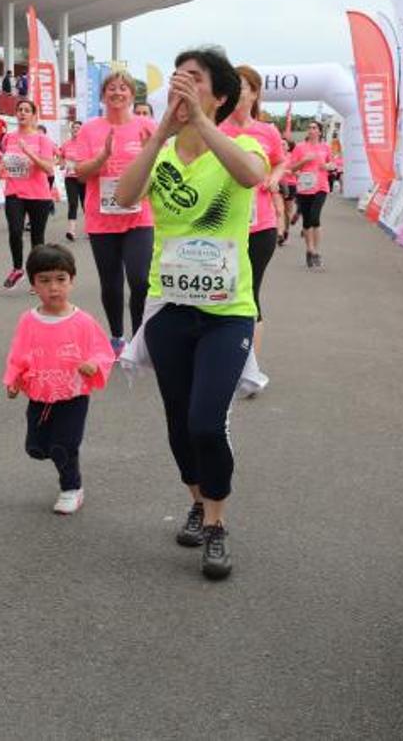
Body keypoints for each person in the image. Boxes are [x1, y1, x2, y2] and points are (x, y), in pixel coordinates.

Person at [113, 47, 268, 581]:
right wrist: (157, 135)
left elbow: (250, 177)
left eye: (194, 79)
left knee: (207, 420)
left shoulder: (243, 144)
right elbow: (121, 196)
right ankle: (197, 503)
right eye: (177, 78)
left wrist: (203, 122)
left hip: (227, 313)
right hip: (170, 309)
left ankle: (218, 525)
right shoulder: (160, 152)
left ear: (219, 94)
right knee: (179, 420)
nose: (182, 87)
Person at [3, 244, 114, 515]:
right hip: (40, 394)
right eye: (45, 280)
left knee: (64, 444)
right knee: (37, 448)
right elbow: (18, 352)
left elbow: (103, 352)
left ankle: (71, 488)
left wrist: (93, 365)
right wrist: (14, 379)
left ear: (72, 281)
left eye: (61, 279)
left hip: (73, 395)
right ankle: (57, 454)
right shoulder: (28, 320)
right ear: (33, 285)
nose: (54, 287)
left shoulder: (83, 321)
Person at [73, 71, 158, 353]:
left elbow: (163, 169)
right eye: (111, 88)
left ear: (132, 96)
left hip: (139, 217)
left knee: (140, 280)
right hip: (102, 219)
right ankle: (118, 337)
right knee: (111, 283)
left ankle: (139, 338)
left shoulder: (147, 126)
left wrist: (150, 153)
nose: (117, 92)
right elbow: (80, 174)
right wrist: (103, 156)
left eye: (123, 88)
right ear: (103, 95)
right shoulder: (90, 129)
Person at [220, 66, 287, 387]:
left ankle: (249, 369)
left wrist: (274, 177)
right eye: (233, 86)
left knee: (250, 293)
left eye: (244, 87)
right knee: (223, 293)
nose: (238, 92)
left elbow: (281, 160)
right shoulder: (215, 129)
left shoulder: (267, 132)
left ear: (255, 93)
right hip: (222, 227)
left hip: (259, 226)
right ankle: (222, 360)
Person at [0, 99, 56, 288]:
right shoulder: (8, 138)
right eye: (19, 110)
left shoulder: (43, 140)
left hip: (39, 194)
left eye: (26, 110)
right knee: (15, 231)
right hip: (14, 192)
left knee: (37, 238)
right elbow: (6, 162)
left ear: (34, 115)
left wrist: (30, 153)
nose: (22, 113)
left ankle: (36, 276)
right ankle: (17, 268)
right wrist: (0, 169)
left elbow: (48, 169)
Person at [287, 120, 332, 268]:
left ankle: (315, 251)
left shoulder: (325, 147)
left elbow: (332, 164)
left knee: (315, 217)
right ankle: (309, 249)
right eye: (310, 128)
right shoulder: (300, 148)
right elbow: (292, 168)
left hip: (321, 187)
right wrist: (304, 162)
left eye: (314, 128)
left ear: (319, 131)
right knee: (307, 221)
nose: (311, 130)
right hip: (305, 188)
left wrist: (328, 166)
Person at [60, 119, 84, 242]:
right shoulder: (66, 144)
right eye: (74, 128)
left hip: (84, 177)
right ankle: (71, 231)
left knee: (86, 205)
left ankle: (91, 229)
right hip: (70, 178)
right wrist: (63, 164)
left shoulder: (86, 144)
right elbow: (61, 159)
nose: (75, 130)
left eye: (78, 128)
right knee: (73, 203)